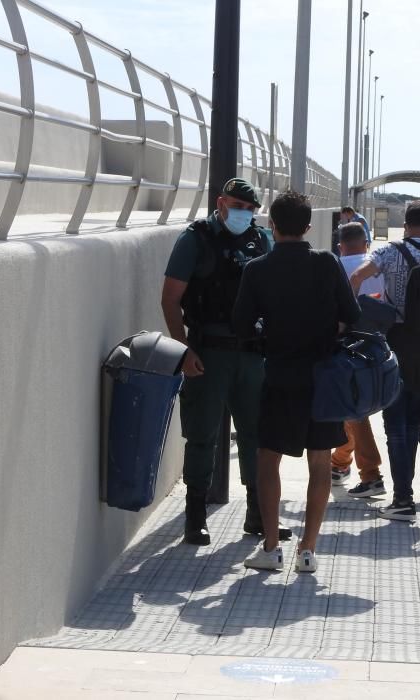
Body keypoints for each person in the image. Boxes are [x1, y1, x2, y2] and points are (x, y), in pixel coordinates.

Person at [232, 191, 361, 573]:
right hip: (323, 379)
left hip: (280, 377)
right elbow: (351, 313)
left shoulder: (257, 269)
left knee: (267, 459)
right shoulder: (326, 263)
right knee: (320, 462)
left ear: (271, 224)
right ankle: (308, 550)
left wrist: (267, 332)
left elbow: (242, 326)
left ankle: (271, 548)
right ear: (308, 227)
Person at [161, 177, 289, 546]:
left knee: (257, 438)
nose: (243, 214)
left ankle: (257, 516)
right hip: (208, 354)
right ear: (220, 203)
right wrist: (183, 349)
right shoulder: (195, 239)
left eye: (250, 209)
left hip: (252, 356)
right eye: (237, 206)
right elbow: (170, 298)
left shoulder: (261, 240)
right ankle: (195, 517)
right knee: (201, 437)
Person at [350, 200, 420, 522]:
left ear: (406, 225)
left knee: (395, 425)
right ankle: (405, 496)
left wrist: (352, 317)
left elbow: (358, 276)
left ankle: (403, 499)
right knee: (413, 424)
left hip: (396, 344)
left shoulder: (389, 252)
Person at [329, 222, 387, 496]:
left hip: (346, 349)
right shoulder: (378, 267)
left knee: (353, 408)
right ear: (366, 244)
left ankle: (371, 474)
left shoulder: (334, 268)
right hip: (379, 347)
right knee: (351, 410)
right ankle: (340, 463)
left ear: (341, 245)